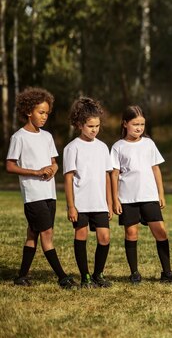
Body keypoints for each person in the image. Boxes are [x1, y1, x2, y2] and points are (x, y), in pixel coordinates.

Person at [6, 87, 77, 289]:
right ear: (29, 111)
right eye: (41, 112)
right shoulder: (18, 137)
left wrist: (53, 168)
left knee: (33, 233)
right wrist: (36, 172)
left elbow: (54, 162)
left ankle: (21, 277)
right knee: (47, 234)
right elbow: (10, 166)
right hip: (33, 194)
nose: (45, 117)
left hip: (50, 194)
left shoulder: (46, 136)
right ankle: (62, 277)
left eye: (47, 113)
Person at [110, 105, 172, 286]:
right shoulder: (118, 147)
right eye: (135, 124)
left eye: (142, 124)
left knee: (160, 231)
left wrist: (161, 193)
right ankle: (134, 273)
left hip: (149, 196)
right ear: (125, 124)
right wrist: (115, 199)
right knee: (131, 233)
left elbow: (155, 169)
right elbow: (113, 174)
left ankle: (167, 272)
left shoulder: (149, 144)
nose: (139, 128)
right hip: (128, 198)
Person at [63, 97, 114, 288]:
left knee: (105, 237)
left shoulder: (102, 147)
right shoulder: (72, 148)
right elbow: (68, 179)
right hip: (80, 204)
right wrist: (71, 206)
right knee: (81, 236)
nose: (94, 130)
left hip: (99, 203)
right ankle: (84, 277)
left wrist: (109, 203)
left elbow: (107, 176)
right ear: (79, 125)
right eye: (90, 126)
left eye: (97, 126)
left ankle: (97, 275)